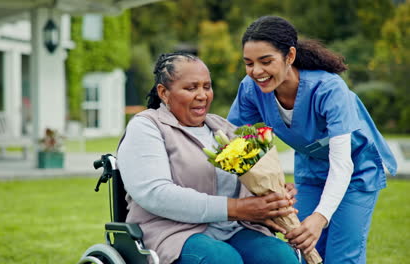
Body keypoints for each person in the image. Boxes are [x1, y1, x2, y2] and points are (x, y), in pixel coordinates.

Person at [227, 16, 398, 264]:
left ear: (290, 56)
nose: (256, 71)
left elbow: (342, 164)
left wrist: (320, 217)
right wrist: (264, 193)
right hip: (311, 169)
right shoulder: (251, 89)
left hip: (355, 170)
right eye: (249, 63)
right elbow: (237, 146)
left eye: (266, 61)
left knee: (341, 256)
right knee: (304, 248)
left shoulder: (329, 90)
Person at [117, 51, 301, 264]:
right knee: (223, 259)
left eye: (207, 86)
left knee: (278, 256)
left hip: (233, 229)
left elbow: (251, 177)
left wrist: (273, 195)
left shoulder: (222, 128)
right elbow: (156, 194)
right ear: (164, 92)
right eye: (191, 88)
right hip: (172, 233)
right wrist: (235, 208)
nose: (202, 95)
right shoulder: (147, 127)